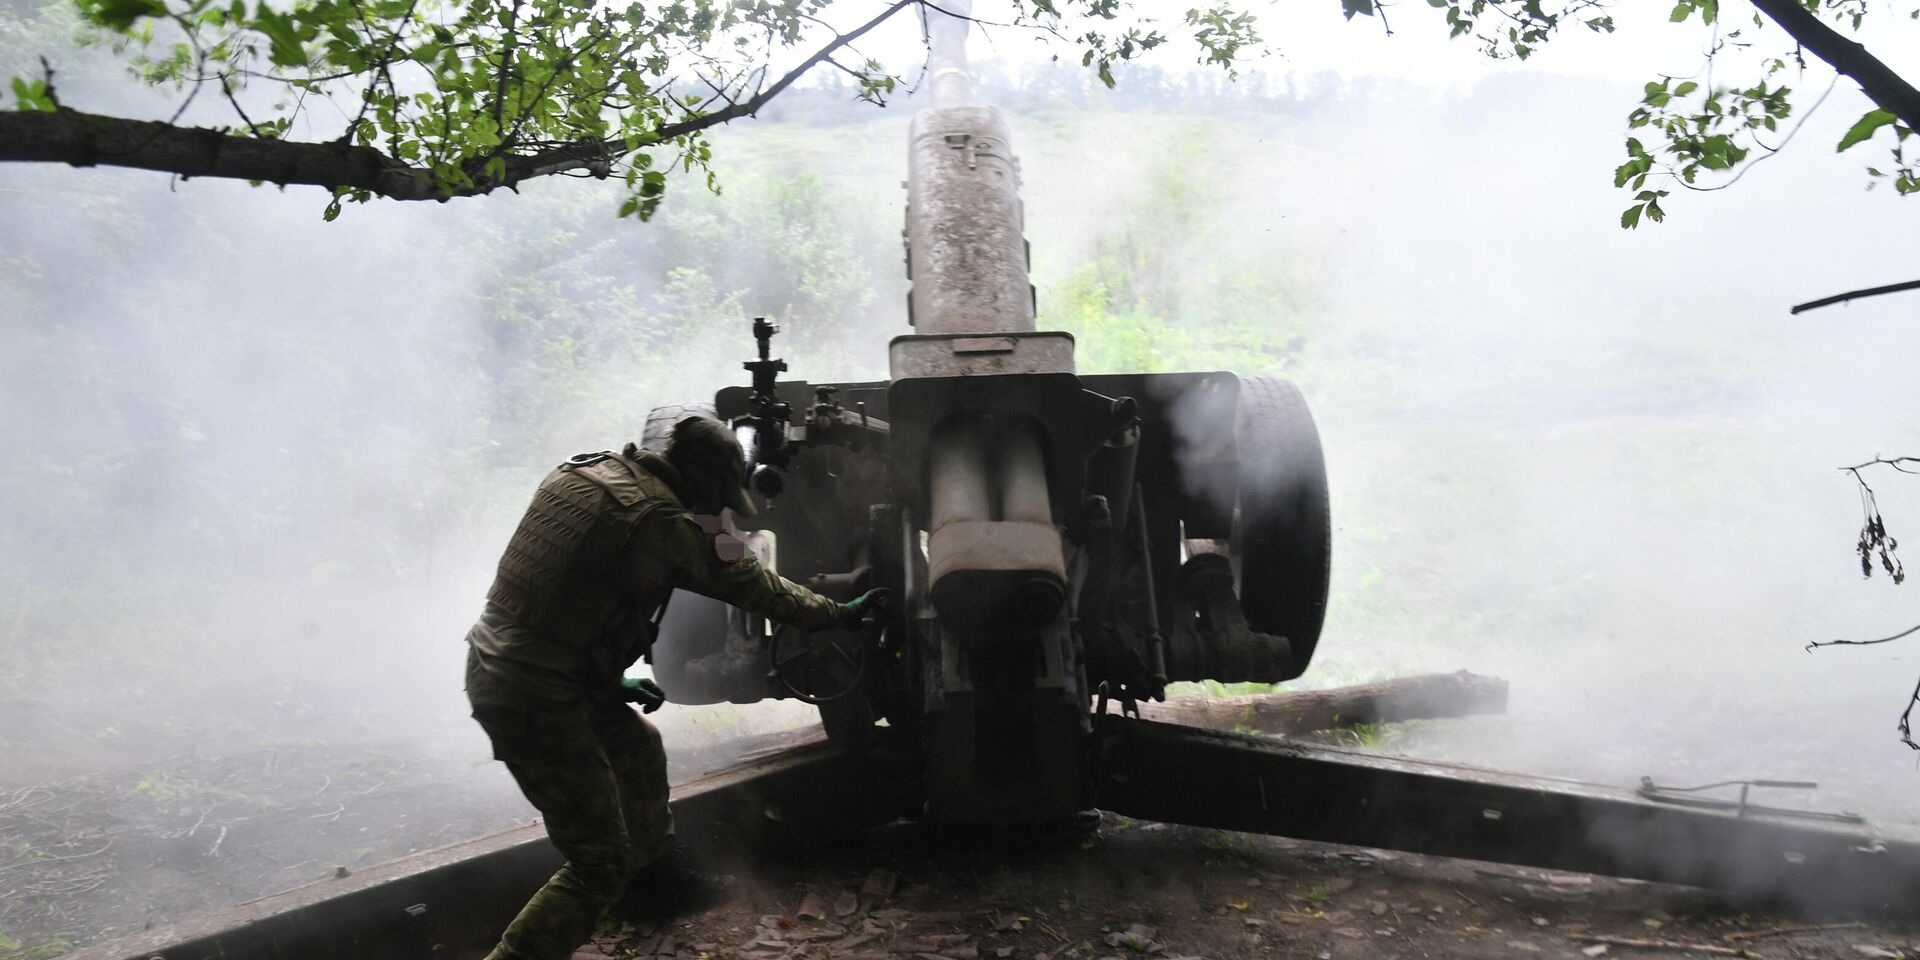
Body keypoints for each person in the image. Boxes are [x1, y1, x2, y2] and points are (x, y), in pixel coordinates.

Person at [464, 415, 885, 960]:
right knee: (598, 865)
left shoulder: (584, 473)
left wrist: (604, 675)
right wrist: (839, 613)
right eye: (719, 495)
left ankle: (656, 881)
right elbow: (756, 587)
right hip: (535, 696)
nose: (720, 507)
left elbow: (560, 591)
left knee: (638, 748)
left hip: (516, 665)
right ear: (701, 480)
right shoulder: (662, 524)